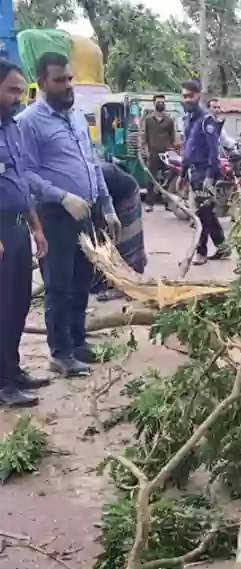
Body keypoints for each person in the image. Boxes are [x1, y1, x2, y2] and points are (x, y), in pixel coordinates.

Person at [18, 52, 119, 378]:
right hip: (55, 215)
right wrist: (61, 196)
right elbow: (26, 173)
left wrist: (108, 207)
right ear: (42, 82)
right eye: (59, 80)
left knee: (82, 281)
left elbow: (92, 163)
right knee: (58, 285)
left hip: (86, 213)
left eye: (69, 78)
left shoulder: (76, 115)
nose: (67, 85)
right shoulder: (29, 122)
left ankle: (77, 342)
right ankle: (60, 352)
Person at [0, 59, 50, 407]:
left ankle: (13, 371)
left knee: (18, 306)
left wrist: (36, 227)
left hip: (18, 229)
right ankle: (3, 385)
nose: (19, 96)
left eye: (21, 90)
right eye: (12, 90)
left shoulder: (12, 128)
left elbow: (19, 182)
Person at [180, 81, 229, 265]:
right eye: (184, 96)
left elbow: (213, 151)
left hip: (204, 173)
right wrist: (182, 175)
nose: (187, 99)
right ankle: (223, 247)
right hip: (193, 172)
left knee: (202, 213)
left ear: (198, 96)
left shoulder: (206, 120)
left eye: (190, 96)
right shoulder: (188, 120)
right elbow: (187, 150)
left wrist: (210, 176)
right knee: (206, 212)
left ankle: (201, 252)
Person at [93, 162, 146, 301]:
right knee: (105, 237)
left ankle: (125, 286)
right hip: (111, 194)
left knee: (126, 238)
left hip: (126, 193)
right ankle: (106, 279)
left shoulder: (92, 177)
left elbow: (100, 201)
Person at [140, 93, 177, 212]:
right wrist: (146, 151)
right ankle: (149, 203)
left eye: (163, 102)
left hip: (167, 154)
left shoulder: (170, 120)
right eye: (158, 102)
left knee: (168, 179)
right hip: (153, 153)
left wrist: (173, 151)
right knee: (151, 179)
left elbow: (173, 138)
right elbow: (144, 137)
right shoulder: (148, 120)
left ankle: (168, 203)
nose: (161, 104)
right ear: (154, 103)